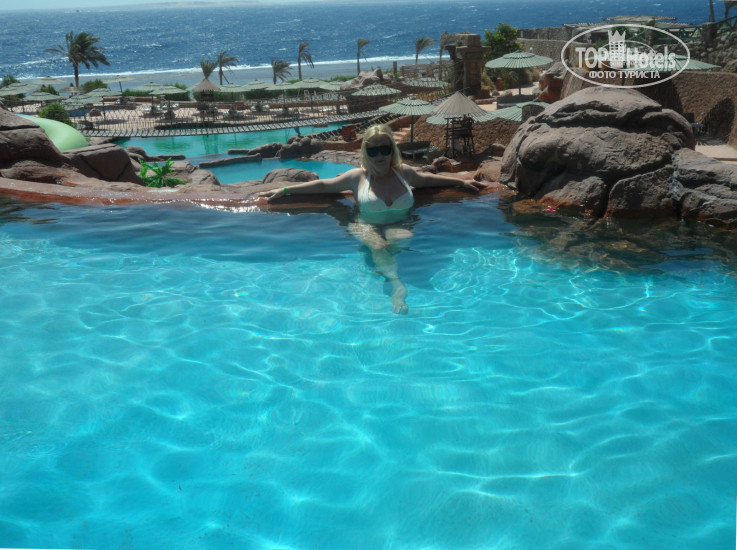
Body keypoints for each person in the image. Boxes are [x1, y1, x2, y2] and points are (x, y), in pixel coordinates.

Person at [258, 123, 485, 314]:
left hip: (400, 223)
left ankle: (387, 267)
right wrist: (286, 190)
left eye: (384, 149)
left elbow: (427, 180)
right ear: (366, 152)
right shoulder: (357, 177)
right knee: (377, 243)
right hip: (364, 225)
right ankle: (396, 285)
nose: (379, 156)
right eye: (373, 150)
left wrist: (460, 181)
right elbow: (324, 185)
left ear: (392, 149)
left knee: (399, 237)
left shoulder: (403, 172)